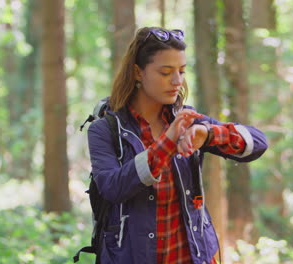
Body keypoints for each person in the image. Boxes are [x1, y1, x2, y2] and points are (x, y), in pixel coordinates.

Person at [87, 26, 268, 264]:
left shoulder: (186, 120)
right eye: (165, 72)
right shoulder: (104, 130)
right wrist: (167, 143)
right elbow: (113, 187)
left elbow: (257, 142)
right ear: (138, 73)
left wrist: (209, 133)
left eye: (181, 71)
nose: (176, 81)